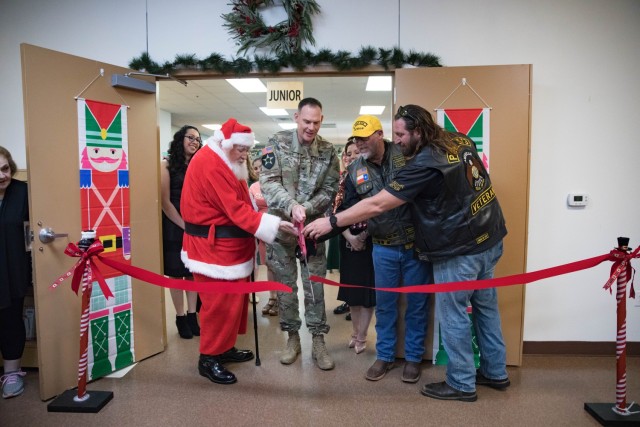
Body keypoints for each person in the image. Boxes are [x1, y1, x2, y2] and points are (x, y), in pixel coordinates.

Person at [304, 104, 509, 402]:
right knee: (485, 307)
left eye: (401, 134)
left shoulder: (423, 162)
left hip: (460, 247)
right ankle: (495, 371)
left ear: (419, 131)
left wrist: (332, 222)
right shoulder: (458, 138)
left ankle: (462, 383)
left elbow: (377, 204)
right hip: (489, 236)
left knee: (453, 315)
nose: (397, 140)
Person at [180, 118, 296, 385]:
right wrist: (275, 225)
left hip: (229, 249)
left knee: (234, 304)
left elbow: (243, 203)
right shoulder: (211, 164)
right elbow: (235, 209)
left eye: (247, 150)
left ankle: (224, 348)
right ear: (225, 143)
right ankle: (208, 358)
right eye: (241, 150)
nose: (245, 155)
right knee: (218, 306)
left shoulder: (227, 160)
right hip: (213, 251)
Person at [333, 115, 431, 383]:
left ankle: (412, 359)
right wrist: (349, 232)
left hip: (414, 247)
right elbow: (348, 210)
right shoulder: (355, 171)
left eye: (365, 138)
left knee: (416, 305)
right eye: (356, 139)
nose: (360, 143)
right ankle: (385, 356)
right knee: (386, 306)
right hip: (383, 248)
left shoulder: (406, 154)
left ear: (379, 135)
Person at [260, 97, 340, 371]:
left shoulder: (329, 151)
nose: (311, 127)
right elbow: (268, 183)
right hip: (282, 231)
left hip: (312, 232)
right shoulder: (276, 143)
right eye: (307, 121)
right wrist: (291, 206)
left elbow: (330, 190)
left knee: (315, 287)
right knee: (286, 287)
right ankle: (292, 338)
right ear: (296, 117)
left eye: (317, 122)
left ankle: (318, 340)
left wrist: (305, 208)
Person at [332, 139, 375, 354]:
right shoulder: (341, 180)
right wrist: (349, 237)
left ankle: (362, 336)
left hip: (369, 240)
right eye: (348, 154)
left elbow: (377, 208)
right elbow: (335, 213)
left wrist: (363, 236)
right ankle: (354, 333)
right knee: (352, 293)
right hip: (347, 239)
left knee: (366, 294)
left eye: (356, 153)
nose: (351, 157)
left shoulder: (371, 177)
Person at [161, 125, 202, 339]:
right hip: (173, 225)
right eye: (190, 137)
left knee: (192, 272)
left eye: (197, 139)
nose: (194, 141)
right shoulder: (166, 165)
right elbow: (165, 203)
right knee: (176, 274)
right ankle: (180, 317)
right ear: (180, 139)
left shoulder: (197, 165)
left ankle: (193, 314)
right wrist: (184, 225)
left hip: (194, 224)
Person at [0, 146, 30, 398]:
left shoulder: (22, 192)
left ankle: (12, 373)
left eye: (5, 169)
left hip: (13, 267)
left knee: (11, 319)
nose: (2, 175)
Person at [248, 159, 278, 316]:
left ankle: (282, 299)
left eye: (261, 167)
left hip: (278, 228)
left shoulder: (277, 184)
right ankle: (272, 298)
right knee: (269, 265)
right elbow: (251, 209)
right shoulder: (253, 187)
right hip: (261, 230)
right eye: (256, 168)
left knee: (279, 265)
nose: (259, 170)